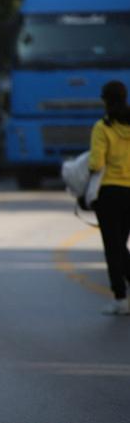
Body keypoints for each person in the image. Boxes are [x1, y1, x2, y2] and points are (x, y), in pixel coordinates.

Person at [89, 80, 130, 315]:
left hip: (110, 193)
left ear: (105, 101)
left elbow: (96, 163)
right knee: (121, 245)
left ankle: (120, 298)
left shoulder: (102, 127)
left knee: (113, 248)